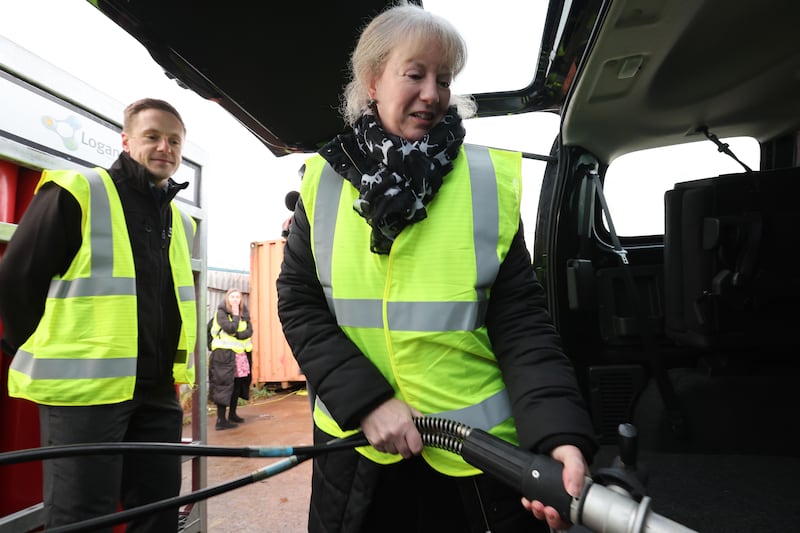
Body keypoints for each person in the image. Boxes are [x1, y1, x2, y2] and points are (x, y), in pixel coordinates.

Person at [276, 5, 597, 533]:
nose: (432, 92)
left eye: (443, 79)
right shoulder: (322, 182)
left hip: (479, 460)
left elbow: (523, 326)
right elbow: (299, 304)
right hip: (361, 453)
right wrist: (367, 403)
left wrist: (556, 436)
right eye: (415, 74)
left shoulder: (487, 182)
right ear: (373, 80)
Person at [0, 98, 197, 531]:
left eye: (174, 141)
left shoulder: (180, 222)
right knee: (83, 520)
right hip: (84, 395)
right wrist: (34, 348)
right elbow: (16, 279)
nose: (165, 147)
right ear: (126, 141)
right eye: (152, 136)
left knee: (157, 514)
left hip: (157, 394)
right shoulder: (78, 191)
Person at [208, 288, 253, 430]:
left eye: (237, 297)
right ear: (227, 299)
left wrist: (238, 335)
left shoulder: (244, 314)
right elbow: (231, 328)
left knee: (237, 385)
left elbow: (249, 331)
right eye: (232, 297)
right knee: (223, 386)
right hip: (224, 356)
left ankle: (232, 414)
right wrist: (234, 315)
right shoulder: (221, 313)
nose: (235, 299)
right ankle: (221, 420)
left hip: (240, 355)